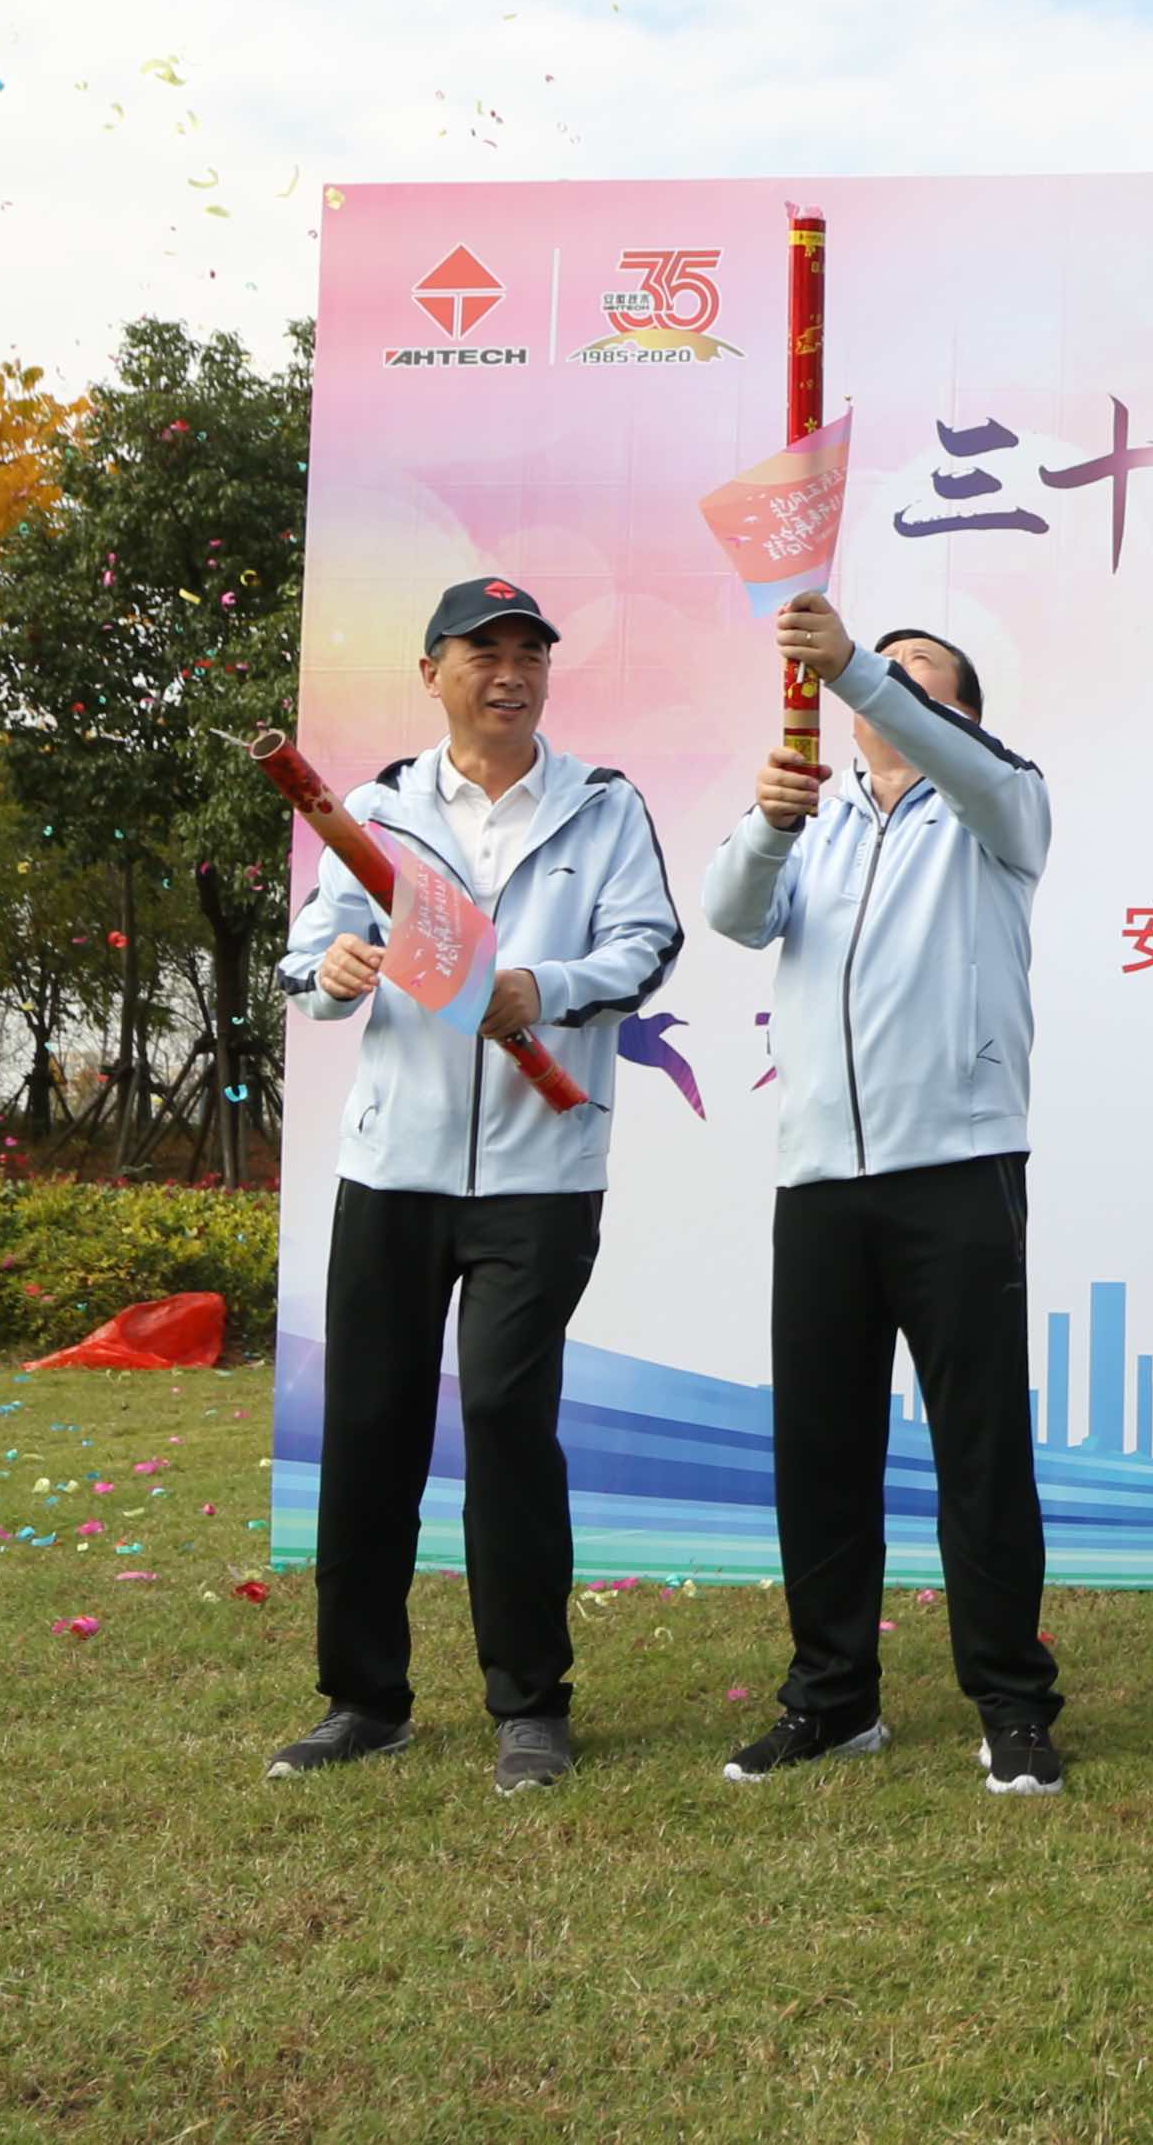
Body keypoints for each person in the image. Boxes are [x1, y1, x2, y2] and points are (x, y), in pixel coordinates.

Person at [265, 577, 683, 1797]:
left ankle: (530, 1706)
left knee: (505, 1418)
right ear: (432, 671)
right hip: (392, 1167)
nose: (509, 672)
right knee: (371, 1427)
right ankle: (363, 1700)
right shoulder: (379, 810)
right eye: (482, 651)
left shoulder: (603, 803)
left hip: (541, 1173)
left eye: (528, 653)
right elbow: (307, 959)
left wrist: (539, 988)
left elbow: (645, 945)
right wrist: (337, 970)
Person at [700, 594, 1071, 1799]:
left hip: (957, 1167)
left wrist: (859, 664)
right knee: (820, 1448)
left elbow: (969, 760)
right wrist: (768, 824)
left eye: (918, 675)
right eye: (880, 672)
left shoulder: (995, 808)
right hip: (819, 1176)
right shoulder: (817, 821)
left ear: (962, 713)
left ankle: (1012, 1704)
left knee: (979, 1449)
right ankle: (831, 1698)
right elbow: (732, 915)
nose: (887, 686)